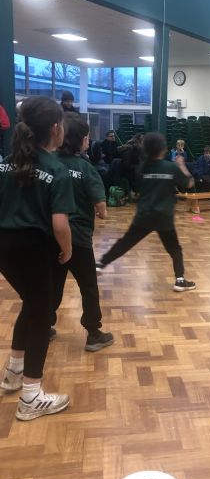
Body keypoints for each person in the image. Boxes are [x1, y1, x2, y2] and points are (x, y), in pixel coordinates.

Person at [0, 96, 74, 421]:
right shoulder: (57, 170)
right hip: (32, 248)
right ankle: (31, 397)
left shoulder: (5, 163)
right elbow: (60, 224)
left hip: (4, 247)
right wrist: (67, 250)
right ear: (56, 128)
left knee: (31, 304)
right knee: (42, 315)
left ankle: (14, 372)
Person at [95, 132, 196, 292]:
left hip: (144, 215)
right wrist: (181, 165)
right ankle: (180, 280)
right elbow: (189, 183)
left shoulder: (142, 168)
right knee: (175, 249)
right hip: (163, 217)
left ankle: (101, 264)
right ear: (162, 149)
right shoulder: (171, 167)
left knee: (125, 243)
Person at [51, 113, 114, 352]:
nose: (89, 140)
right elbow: (102, 210)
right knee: (88, 287)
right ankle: (94, 334)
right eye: (87, 137)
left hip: (49, 238)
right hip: (77, 238)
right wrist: (99, 210)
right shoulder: (86, 168)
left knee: (52, 284)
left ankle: (44, 325)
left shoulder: (47, 162)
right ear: (80, 140)